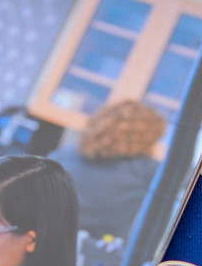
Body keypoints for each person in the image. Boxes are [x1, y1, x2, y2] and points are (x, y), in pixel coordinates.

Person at [51, 100, 166, 242]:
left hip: (45, 239)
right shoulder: (148, 170)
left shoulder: (66, 154)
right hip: (95, 256)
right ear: (149, 138)